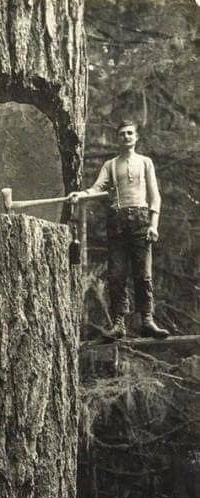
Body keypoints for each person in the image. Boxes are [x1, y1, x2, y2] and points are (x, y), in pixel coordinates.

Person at [70, 119, 169, 339]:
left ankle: (147, 320)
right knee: (116, 275)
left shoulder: (145, 163)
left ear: (136, 137)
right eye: (122, 133)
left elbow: (155, 197)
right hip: (117, 224)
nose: (126, 137)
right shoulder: (111, 165)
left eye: (130, 133)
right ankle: (119, 324)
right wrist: (80, 195)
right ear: (117, 138)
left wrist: (154, 225)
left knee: (143, 274)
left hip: (141, 221)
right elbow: (96, 189)